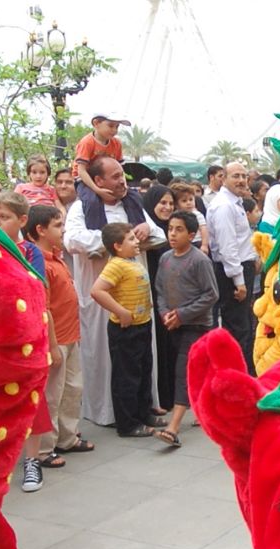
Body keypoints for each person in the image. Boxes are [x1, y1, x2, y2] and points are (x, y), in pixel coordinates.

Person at [63, 156, 166, 427]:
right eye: (115, 176)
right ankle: (109, 413)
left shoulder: (133, 204)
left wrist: (143, 229)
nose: (122, 181)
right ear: (98, 181)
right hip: (102, 297)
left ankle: (142, 409)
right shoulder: (82, 207)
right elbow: (72, 239)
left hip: (136, 299)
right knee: (108, 359)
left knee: (140, 361)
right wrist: (118, 241)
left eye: (122, 175)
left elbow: (157, 235)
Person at [0, 192, 58, 492]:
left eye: (4, 217)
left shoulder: (30, 252)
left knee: (33, 397)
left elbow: (39, 291)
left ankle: (32, 461)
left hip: (25, 333)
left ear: (22, 220)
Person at [23, 205, 90, 468]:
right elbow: (44, 307)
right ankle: (44, 448)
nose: (62, 231)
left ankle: (67, 437)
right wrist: (51, 345)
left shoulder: (56, 258)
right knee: (53, 393)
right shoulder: (38, 261)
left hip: (70, 335)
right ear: (39, 230)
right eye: (58, 226)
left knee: (72, 389)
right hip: (56, 340)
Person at [90, 222, 164, 437]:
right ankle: (128, 423)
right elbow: (97, 291)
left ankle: (144, 413)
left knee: (142, 371)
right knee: (127, 377)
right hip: (126, 330)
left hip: (142, 325)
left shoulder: (131, 261)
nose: (136, 241)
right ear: (117, 246)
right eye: (130, 239)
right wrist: (121, 311)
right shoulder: (116, 265)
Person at [154, 210, 219, 448]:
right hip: (172, 323)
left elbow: (211, 294)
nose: (173, 234)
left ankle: (173, 428)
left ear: (192, 234)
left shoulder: (200, 260)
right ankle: (209, 409)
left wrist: (182, 314)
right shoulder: (165, 258)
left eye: (179, 229)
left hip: (196, 325)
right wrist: (165, 314)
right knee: (197, 371)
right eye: (170, 228)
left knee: (184, 372)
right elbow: (160, 290)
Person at [209, 161, 259, 374]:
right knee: (237, 330)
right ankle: (236, 377)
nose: (241, 180)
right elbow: (227, 246)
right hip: (231, 275)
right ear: (224, 178)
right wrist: (238, 281)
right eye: (235, 176)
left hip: (241, 270)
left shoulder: (236, 202)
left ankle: (243, 376)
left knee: (243, 328)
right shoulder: (224, 206)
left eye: (243, 176)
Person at [143, 184, 177, 413]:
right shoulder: (147, 235)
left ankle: (172, 395)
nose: (167, 208)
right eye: (162, 203)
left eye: (170, 204)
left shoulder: (174, 230)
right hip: (153, 296)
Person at [74, 114, 128, 202]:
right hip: (85, 180)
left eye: (117, 127)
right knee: (91, 200)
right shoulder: (87, 142)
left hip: (107, 179)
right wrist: (97, 190)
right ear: (96, 123)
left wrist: (124, 185)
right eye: (110, 126)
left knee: (132, 197)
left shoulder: (116, 143)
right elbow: (81, 171)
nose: (114, 130)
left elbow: (120, 169)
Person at [170, 181, 209, 253]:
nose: (189, 203)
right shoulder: (176, 217)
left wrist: (204, 245)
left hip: (197, 243)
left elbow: (203, 229)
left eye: (191, 199)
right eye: (184, 201)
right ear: (176, 204)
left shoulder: (197, 214)